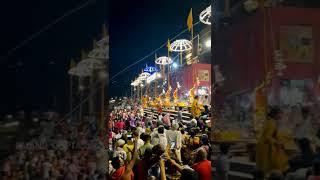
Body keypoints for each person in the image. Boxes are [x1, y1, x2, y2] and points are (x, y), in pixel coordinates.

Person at [256, 107, 288, 174]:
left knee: (262, 167)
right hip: (266, 146)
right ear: (276, 114)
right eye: (280, 113)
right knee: (267, 167)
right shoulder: (272, 122)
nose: (281, 115)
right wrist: (277, 143)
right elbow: (268, 137)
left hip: (262, 145)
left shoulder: (269, 120)